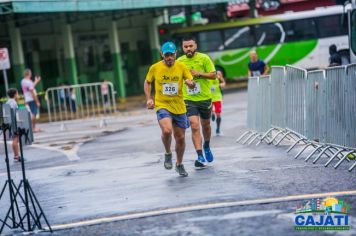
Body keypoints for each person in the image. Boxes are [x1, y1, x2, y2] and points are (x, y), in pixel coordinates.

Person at [144, 41, 195, 177]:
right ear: (162, 54)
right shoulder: (155, 68)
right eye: (166, 55)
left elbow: (191, 82)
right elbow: (148, 82)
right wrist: (149, 98)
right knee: (167, 130)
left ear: (175, 54)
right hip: (162, 105)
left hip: (179, 106)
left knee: (180, 138)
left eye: (171, 55)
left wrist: (190, 83)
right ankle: (167, 153)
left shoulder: (182, 67)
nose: (169, 58)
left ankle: (179, 164)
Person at [177, 36, 217, 168]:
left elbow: (213, 74)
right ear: (182, 48)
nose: (188, 49)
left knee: (206, 125)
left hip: (204, 98)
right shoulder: (179, 62)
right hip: (188, 99)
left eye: (190, 46)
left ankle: (206, 145)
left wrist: (198, 74)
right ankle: (199, 155)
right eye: (185, 47)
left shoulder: (204, 58)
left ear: (195, 46)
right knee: (194, 126)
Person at [6, 88, 21, 162]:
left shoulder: (8, 102)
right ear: (15, 94)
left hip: (9, 123)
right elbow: (15, 113)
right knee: (16, 138)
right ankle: (17, 155)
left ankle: (16, 155)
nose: (18, 95)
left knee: (14, 139)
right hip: (14, 123)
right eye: (17, 93)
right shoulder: (13, 103)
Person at [211, 70, 226, 136]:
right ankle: (212, 113)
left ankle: (218, 128)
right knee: (211, 111)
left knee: (218, 114)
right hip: (210, 98)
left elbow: (223, 83)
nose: (218, 75)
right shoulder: (209, 78)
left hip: (217, 98)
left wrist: (221, 84)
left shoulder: (219, 78)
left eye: (220, 74)